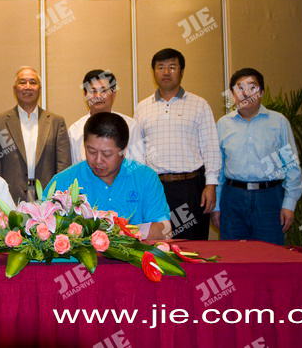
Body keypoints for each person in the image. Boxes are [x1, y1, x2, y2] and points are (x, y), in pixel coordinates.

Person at [134, 48, 220, 240]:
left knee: (192, 244)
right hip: (155, 187)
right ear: (153, 72)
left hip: (190, 187)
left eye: (172, 67)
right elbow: (138, 152)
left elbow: (211, 148)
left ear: (181, 71)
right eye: (161, 67)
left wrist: (211, 185)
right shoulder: (142, 108)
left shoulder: (199, 104)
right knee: (157, 243)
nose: (166, 72)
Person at [212, 68, 302, 245]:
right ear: (233, 94)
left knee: (270, 254)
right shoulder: (223, 124)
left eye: (252, 87)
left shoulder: (278, 122)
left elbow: (291, 165)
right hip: (232, 198)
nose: (245, 93)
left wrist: (289, 204)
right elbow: (218, 169)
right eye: (240, 88)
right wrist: (216, 206)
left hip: (269, 198)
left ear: (261, 92)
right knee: (233, 254)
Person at [47, 112, 171, 239]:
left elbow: (164, 229)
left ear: (123, 150)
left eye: (107, 154)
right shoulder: (63, 181)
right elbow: (41, 227)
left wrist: (119, 233)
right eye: (91, 152)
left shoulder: (145, 178)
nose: (98, 160)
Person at [0, 66, 71, 203]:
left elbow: (63, 165)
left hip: (48, 198)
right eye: (22, 82)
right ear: (15, 89)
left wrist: (58, 199)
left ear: (39, 89)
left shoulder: (56, 122)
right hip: (10, 197)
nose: (28, 87)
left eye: (33, 82)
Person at [68, 69, 145, 164]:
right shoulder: (75, 131)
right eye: (93, 91)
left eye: (104, 91)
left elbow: (138, 164)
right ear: (85, 95)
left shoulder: (131, 126)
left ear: (114, 93)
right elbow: (74, 167)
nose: (98, 96)